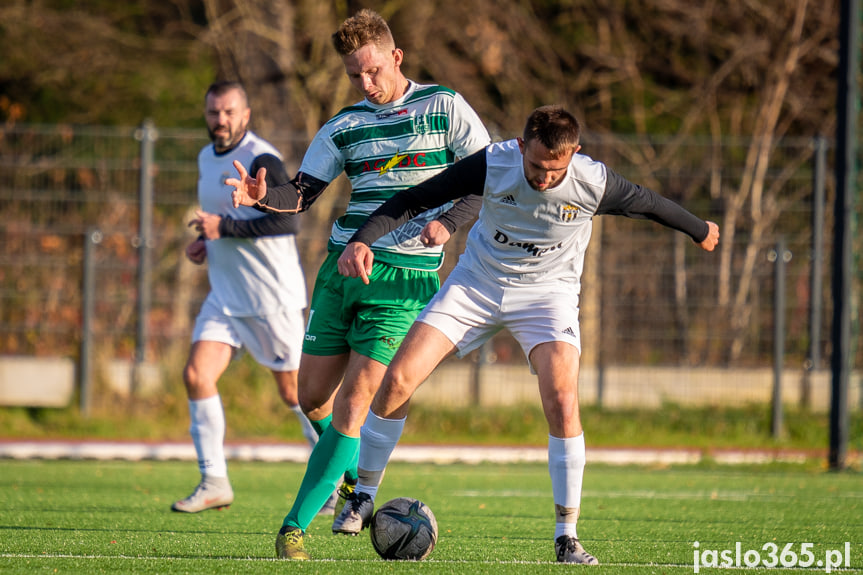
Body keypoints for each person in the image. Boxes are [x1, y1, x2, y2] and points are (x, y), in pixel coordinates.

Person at [337, 105, 720, 564]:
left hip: (547, 296)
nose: (542, 177)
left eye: (554, 169)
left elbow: (650, 204)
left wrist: (700, 230)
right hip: (476, 284)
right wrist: (363, 238)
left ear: (575, 154)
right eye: (535, 165)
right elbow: (417, 198)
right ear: (521, 147)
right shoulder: (494, 163)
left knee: (561, 398)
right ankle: (363, 494)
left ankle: (567, 535)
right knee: (398, 379)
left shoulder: (594, 182)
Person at [227, 9, 490, 560]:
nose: (365, 84)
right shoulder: (343, 126)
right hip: (342, 268)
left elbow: (489, 175)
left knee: (354, 406)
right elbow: (300, 193)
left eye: (372, 71)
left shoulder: (444, 106)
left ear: (396, 57)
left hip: (404, 280)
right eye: (354, 76)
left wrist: (448, 221)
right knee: (310, 398)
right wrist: (261, 197)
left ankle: (294, 526)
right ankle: (350, 482)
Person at [172, 81, 321, 514]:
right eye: (214, 112)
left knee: (298, 395)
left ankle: (344, 482)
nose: (221, 120)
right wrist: (208, 243)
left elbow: (288, 223)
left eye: (229, 112)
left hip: (269, 298)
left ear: (246, 115)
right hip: (225, 296)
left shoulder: (262, 158)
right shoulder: (205, 158)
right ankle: (214, 480)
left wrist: (226, 230)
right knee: (197, 375)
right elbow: (225, 220)